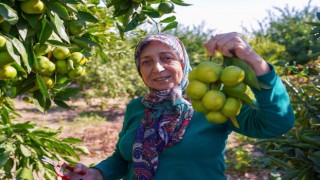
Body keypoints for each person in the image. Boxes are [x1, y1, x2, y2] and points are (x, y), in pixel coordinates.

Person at [64, 32, 295, 180]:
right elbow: (123, 159)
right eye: (146, 62)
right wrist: (97, 173)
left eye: (167, 58)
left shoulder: (212, 100)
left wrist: (255, 62)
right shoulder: (138, 107)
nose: (157, 68)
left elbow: (275, 123)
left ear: (183, 63)